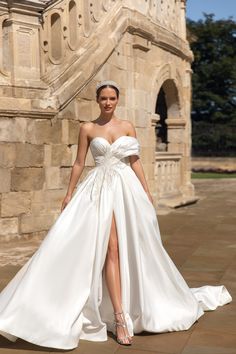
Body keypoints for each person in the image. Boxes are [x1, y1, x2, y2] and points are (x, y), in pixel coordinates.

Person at [0, 80, 232, 350]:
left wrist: (146, 193)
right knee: (109, 248)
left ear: (117, 100)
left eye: (112, 98)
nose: (108, 102)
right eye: (103, 98)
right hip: (97, 190)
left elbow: (135, 162)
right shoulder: (87, 128)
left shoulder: (127, 127)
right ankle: (120, 318)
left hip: (126, 191)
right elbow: (78, 163)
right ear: (97, 100)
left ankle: (126, 306)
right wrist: (68, 194)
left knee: (128, 248)